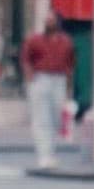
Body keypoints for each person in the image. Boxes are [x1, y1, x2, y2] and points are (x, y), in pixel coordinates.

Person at [21, 11, 75, 169]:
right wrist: (30, 77)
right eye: (46, 20)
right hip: (41, 79)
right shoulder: (35, 40)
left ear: (58, 23)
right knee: (42, 119)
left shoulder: (66, 41)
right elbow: (26, 59)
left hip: (59, 80)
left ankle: (50, 152)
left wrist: (69, 88)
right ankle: (45, 155)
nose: (48, 23)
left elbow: (70, 64)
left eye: (51, 20)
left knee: (56, 118)